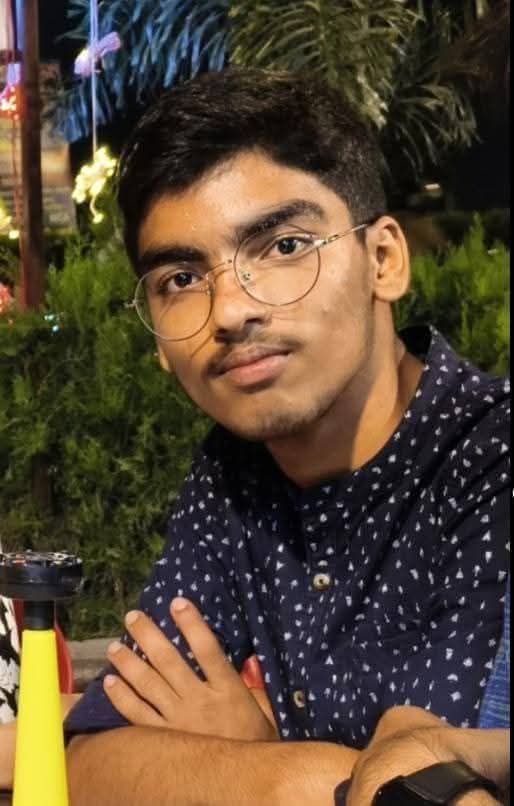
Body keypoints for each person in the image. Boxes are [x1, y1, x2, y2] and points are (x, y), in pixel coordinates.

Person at [63, 68, 510, 805]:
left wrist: (251, 758)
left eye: (283, 245)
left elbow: (425, 777)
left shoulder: (488, 458)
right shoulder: (233, 476)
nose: (229, 311)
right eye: (181, 279)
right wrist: (292, 770)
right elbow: (91, 762)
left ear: (383, 260)